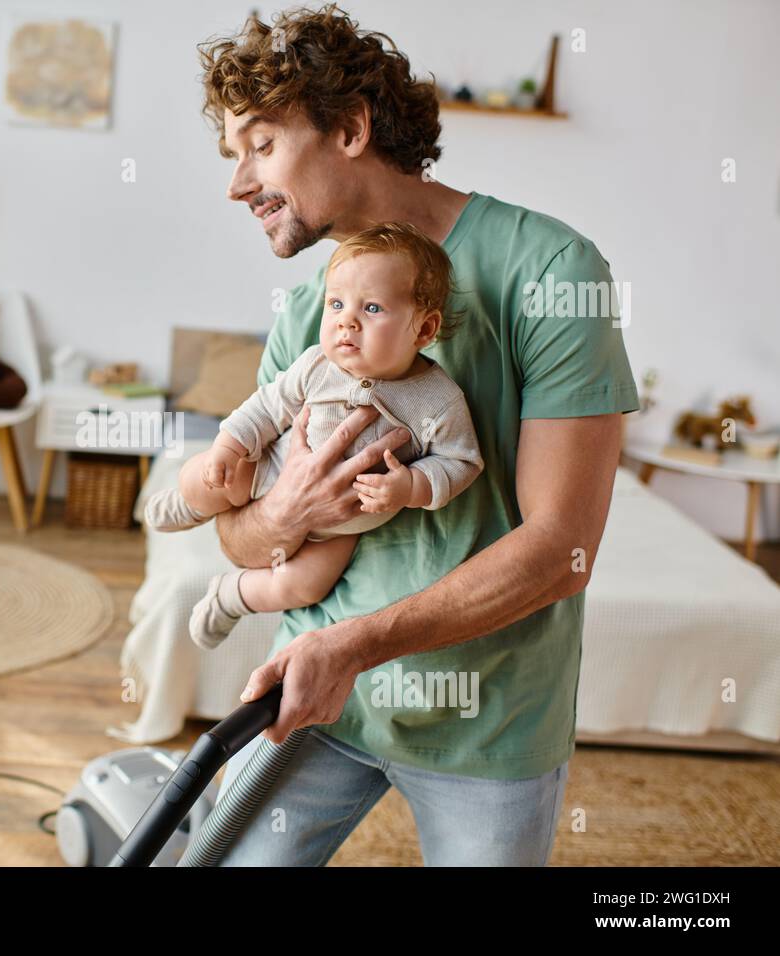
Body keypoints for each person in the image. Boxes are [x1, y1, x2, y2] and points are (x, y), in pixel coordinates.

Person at [195, 4, 639, 865]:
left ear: (352, 128)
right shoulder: (309, 311)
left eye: (259, 144)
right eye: (230, 155)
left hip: (489, 724)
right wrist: (280, 515)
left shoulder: (550, 271)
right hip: (312, 699)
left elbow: (562, 550)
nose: (236, 184)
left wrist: (354, 646)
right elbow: (237, 534)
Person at [143, 223, 483, 651]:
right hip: (271, 466)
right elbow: (266, 407)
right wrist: (230, 446)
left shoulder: (438, 400)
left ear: (424, 330)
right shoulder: (316, 364)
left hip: (343, 525)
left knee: (305, 586)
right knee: (212, 473)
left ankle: (230, 596)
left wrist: (411, 486)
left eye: (372, 309)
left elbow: (461, 461)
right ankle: (190, 503)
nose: (347, 322)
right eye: (336, 304)